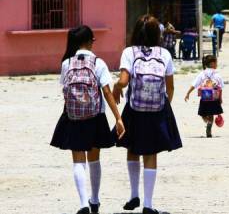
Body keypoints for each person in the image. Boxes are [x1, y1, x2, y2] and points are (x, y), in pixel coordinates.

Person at [50, 25, 125, 214]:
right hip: (95, 116)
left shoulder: (67, 63)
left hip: (73, 116)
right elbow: (107, 92)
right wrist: (118, 118)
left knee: (78, 161)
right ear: (88, 41)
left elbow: (64, 91)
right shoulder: (98, 63)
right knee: (94, 160)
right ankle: (95, 200)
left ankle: (83, 204)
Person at [112, 15, 182, 214]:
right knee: (151, 154)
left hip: (134, 109)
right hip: (156, 110)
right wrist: (163, 105)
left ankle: (134, 195)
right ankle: (148, 205)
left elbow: (124, 81)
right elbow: (170, 87)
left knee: (132, 148)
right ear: (157, 33)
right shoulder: (164, 54)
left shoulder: (129, 52)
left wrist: (117, 87)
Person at [184, 55, 224, 138]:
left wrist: (188, 93)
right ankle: (210, 126)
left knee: (202, 113)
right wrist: (220, 98)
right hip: (214, 98)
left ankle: (207, 122)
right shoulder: (217, 74)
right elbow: (220, 88)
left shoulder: (202, 73)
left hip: (205, 97)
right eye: (216, 62)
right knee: (211, 114)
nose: (217, 64)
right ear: (212, 63)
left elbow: (194, 84)